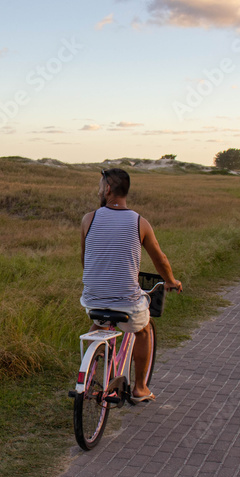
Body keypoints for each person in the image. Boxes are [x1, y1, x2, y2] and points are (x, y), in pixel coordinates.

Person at [81, 168, 182, 402]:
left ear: (108, 189)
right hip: (126, 302)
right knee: (143, 329)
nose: (98, 189)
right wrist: (171, 281)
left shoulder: (89, 219)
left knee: (100, 325)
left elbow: (86, 260)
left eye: (100, 185)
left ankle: (87, 379)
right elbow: (161, 260)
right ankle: (139, 388)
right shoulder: (140, 222)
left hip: (92, 298)